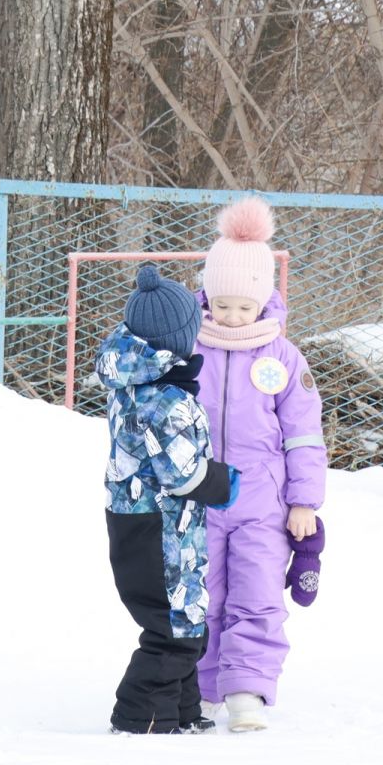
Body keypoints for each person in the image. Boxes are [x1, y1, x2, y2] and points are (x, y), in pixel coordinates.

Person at [192, 198, 325, 732]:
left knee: (257, 591)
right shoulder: (188, 349)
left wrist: (302, 502)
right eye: (221, 305)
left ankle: (247, 689)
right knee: (201, 594)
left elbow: (303, 435)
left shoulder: (283, 358)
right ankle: (200, 689)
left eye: (243, 307)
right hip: (197, 495)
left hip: (261, 500)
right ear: (206, 296)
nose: (231, 316)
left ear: (264, 302)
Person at [99, 265, 236, 735]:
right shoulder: (164, 399)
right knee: (174, 627)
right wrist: (221, 482)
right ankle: (142, 715)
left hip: (139, 521)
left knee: (183, 623)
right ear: (181, 339)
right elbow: (180, 474)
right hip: (161, 526)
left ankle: (181, 710)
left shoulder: (132, 383)